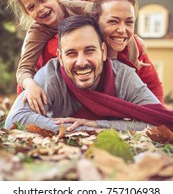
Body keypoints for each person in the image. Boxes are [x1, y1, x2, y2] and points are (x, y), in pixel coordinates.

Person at [5, 16, 173, 134]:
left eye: (89, 50)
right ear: (60, 58)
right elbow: (15, 118)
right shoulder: (50, 75)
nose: (81, 62)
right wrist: (82, 130)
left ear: (103, 51)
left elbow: (159, 121)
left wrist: (96, 125)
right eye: (71, 53)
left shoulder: (124, 77)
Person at [7, 0, 91, 113]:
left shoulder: (79, 9)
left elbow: (110, 17)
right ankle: (29, 112)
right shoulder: (37, 30)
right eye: (31, 7)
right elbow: (23, 69)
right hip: (52, 79)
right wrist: (31, 85)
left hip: (84, 68)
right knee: (25, 84)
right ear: (27, 13)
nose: (40, 8)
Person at [91, 0, 164, 104]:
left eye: (129, 22)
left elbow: (153, 84)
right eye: (113, 21)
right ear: (95, 21)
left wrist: (155, 117)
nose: (122, 29)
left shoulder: (135, 49)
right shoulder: (82, 48)